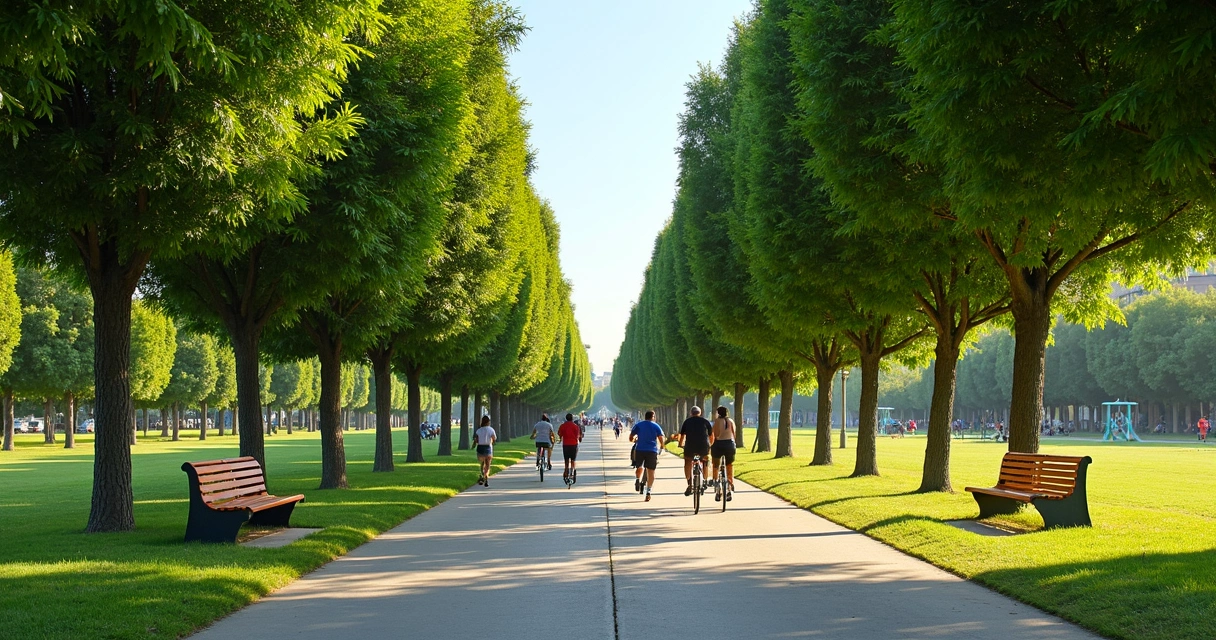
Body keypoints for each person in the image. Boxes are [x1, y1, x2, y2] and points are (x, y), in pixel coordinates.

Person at [629, 410, 665, 501]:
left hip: (640, 449)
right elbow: (661, 438)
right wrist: (662, 447)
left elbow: (631, 437)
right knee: (651, 471)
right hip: (652, 450)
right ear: (653, 417)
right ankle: (648, 491)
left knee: (639, 466)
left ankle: (637, 479)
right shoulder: (656, 426)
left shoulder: (638, 425)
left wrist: (634, 440)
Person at [677, 405, 713, 496]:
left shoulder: (687, 422)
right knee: (705, 461)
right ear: (700, 413)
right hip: (703, 446)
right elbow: (711, 435)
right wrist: (710, 445)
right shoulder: (705, 421)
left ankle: (689, 483)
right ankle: (704, 480)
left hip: (690, 447)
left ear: (691, 413)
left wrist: (680, 444)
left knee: (687, 462)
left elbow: (682, 435)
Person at [710, 406, 736, 502]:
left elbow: (715, 435)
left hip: (718, 445)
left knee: (715, 464)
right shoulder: (731, 421)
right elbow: (734, 434)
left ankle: (716, 483)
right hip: (730, 444)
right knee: (729, 465)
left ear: (718, 413)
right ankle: (730, 485)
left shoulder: (717, 421)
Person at [557, 413, 583, 483]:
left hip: (565, 445)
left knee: (566, 460)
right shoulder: (576, 426)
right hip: (573, 444)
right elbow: (578, 435)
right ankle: (572, 470)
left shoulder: (563, 426)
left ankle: (566, 470)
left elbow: (559, 433)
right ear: (572, 419)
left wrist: (561, 437)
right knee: (573, 460)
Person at [474, 415, 497, 487]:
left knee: (482, 463)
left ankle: (482, 475)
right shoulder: (491, 430)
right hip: (488, 447)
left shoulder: (479, 430)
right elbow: (494, 438)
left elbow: (476, 440)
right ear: (488, 422)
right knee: (487, 464)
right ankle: (486, 476)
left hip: (480, 447)